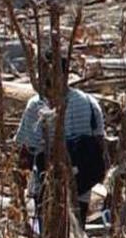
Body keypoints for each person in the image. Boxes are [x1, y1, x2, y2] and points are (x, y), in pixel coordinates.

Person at [15, 85, 108, 225]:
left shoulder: (37, 105)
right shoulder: (89, 102)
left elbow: (27, 152)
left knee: (48, 237)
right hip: (81, 187)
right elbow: (100, 146)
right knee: (76, 233)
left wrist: (20, 190)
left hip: (47, 187)